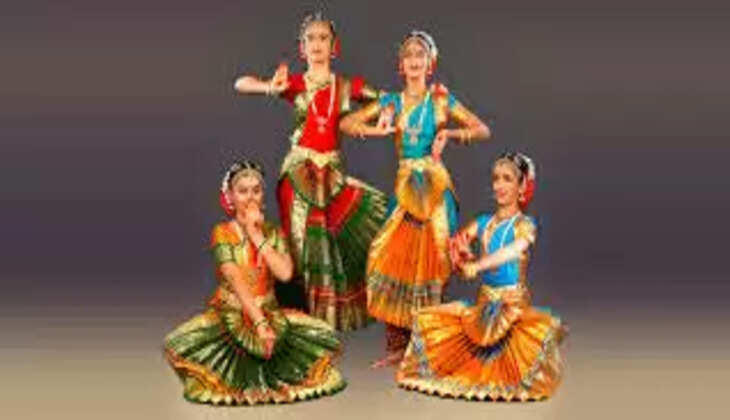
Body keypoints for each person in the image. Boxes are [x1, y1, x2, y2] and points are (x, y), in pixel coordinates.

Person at [339, 30, 491, 367]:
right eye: (408, 55)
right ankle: (399, 345)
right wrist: (377, 130)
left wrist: (449, 133)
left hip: (435, 188)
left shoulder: (441, 101)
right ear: (400, 65)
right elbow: (347, 123)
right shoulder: (391, 102)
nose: (414, 60)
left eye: (420, 55)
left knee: (434, 261)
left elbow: (482, 129)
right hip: (405, 187)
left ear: (430, 63)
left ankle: (429, 346)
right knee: (389, 256)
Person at [234, 12, 387, 331]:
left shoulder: (347, 86)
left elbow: (388, 100)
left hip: (331, 173)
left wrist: (377, 116)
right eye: (310, 39)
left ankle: (324, 322)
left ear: (335, 46)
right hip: (298, 172)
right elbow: (241, 83)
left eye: (323, 38)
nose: (317, 44)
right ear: (302, 48)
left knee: (334, 241)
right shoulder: (294, 83)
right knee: (299, 244)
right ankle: (297, 319)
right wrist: (270, 87)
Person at [163, 159, 346, 405]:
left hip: (271, 313)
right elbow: (235, 279)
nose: (250, 198)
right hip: (234, 314)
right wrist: (259, 323)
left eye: (256, 190)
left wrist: (255, 234)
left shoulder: (273, 233)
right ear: (230, 196)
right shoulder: (223, 233)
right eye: (243, 191)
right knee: (182, 344)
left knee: (325, 336)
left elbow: (284, 273)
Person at [396, 153, 566, 401]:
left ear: (522, 187)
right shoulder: (484, 222)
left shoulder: (524, 225)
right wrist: (458, 253)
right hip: (483, 307)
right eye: (496, 179)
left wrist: (478, 265)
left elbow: (513, 250)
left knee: (516, 360)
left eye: (507, 179)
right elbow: (455, 243)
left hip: (511, 307)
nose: (499, 185)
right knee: (429, 322)